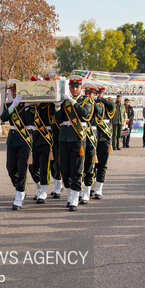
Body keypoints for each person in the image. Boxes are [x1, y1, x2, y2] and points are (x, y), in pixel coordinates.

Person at [55, 75, 94, 212]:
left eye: (77, 87)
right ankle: (70, 195)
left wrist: (72, 101)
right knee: (64, 170)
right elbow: (58, 120)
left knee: (76, 169)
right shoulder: (65, 102)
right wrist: (58, 106)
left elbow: (86, 114)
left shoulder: (86, 100)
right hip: (64, 138)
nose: (74, 89)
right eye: (72, 87)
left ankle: (75, 199)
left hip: (78, 138)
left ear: (81, 88)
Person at [0, 79, 34, 210]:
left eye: (15, 90)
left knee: (22, 168)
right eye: (12, 91)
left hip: (24, 140)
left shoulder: (28, 104)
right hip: (12, 139)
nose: (13, 93)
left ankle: (19, 196)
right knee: (10, 168)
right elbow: (3, 118)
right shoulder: (9, 104)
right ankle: (20, 188)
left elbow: (30, 121)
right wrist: (13, 105)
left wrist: (26, 106)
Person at [27, 76, 57, 204]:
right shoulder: (30, 104)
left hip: (45, 137)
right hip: (32, 136)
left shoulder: (49, 104)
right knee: (32, 166)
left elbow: (52, 120)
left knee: (44, 165)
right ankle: (39, 187)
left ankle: (43, 192)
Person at [93, 83, 116, 199]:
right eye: (95, 93)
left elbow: (112, 105)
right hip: (92, 137)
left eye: (99, 93)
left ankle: (98, 188)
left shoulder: (107, 102)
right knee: (91, 165)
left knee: (102, 164)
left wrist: (99, 99)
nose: (97, 95)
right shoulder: (89, 102)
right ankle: (91, 186)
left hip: (104, 138)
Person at [79, 82, 100, 205]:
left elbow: (98, 111)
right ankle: (80, 191)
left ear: (94, 95)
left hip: (91, 137)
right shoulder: (80, 102)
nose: (87, 95)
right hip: (81, 136)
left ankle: (86, 193)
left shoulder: (97, 104)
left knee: (89, 167)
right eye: (86, 93)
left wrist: (94, 100)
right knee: (79, 167)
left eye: (90, 94)